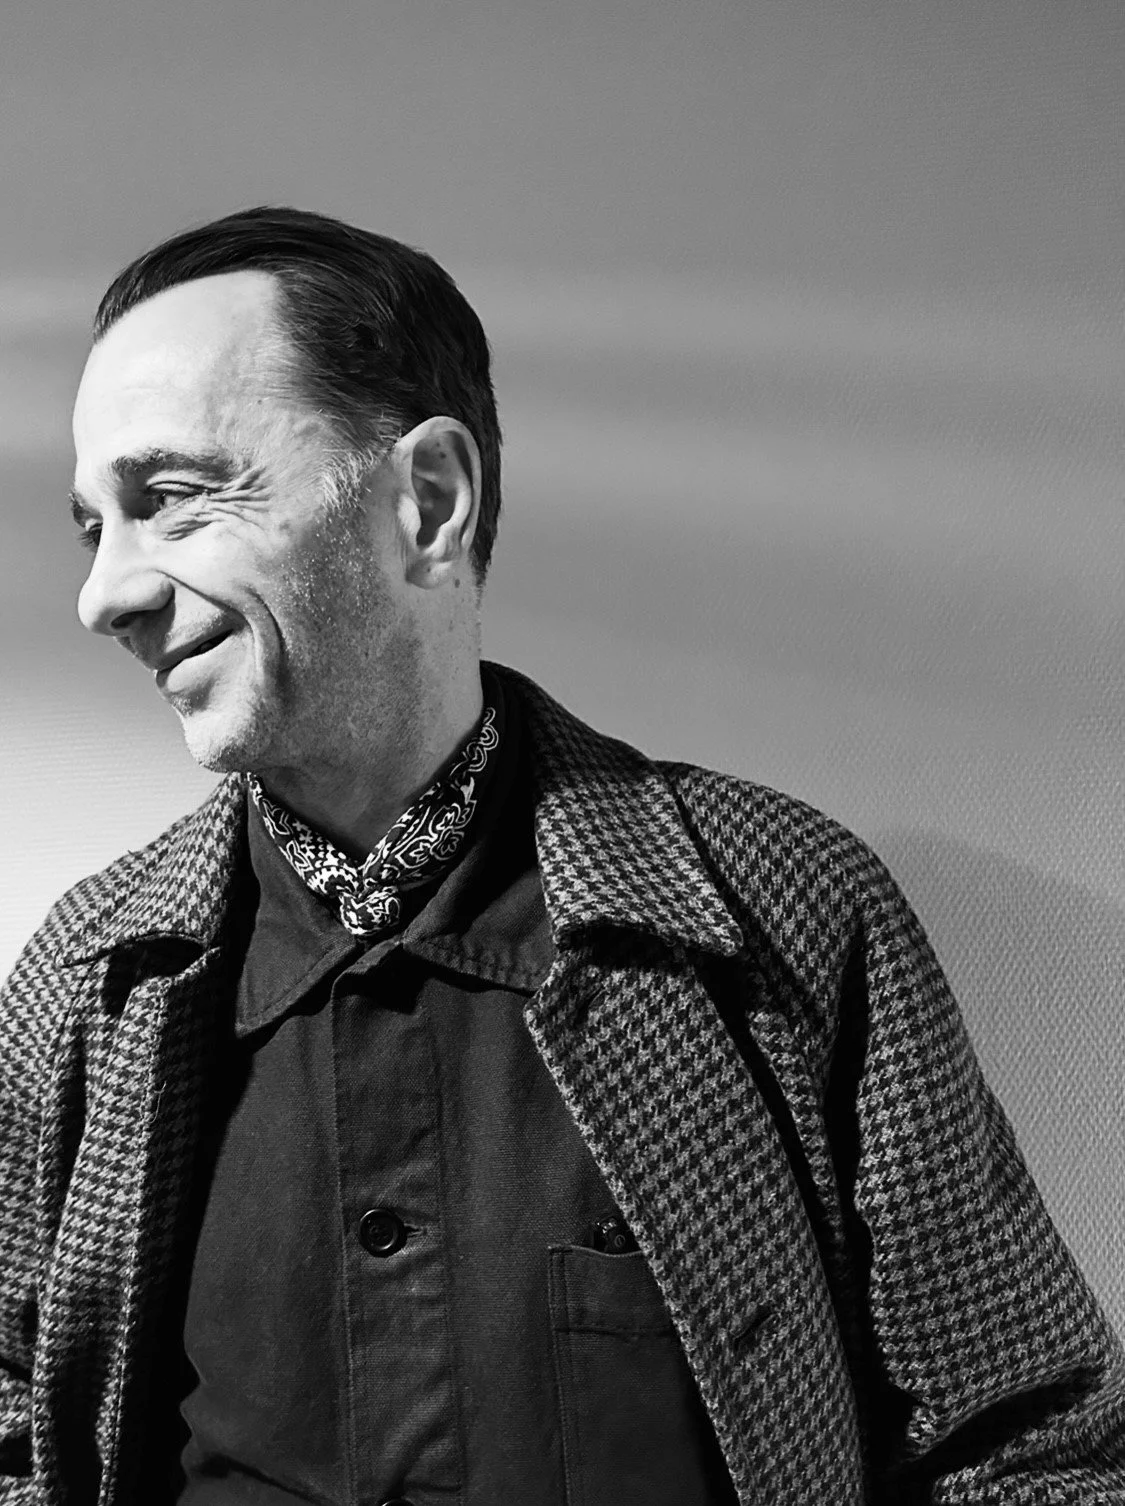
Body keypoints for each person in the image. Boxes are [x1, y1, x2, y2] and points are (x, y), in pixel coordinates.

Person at [0, 206, 1122, 1506]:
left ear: (429, 500)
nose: (104, 595)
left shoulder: (787, 916)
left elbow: (1030, 1447)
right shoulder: (85, 983)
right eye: (94, 527)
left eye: (173, 500)